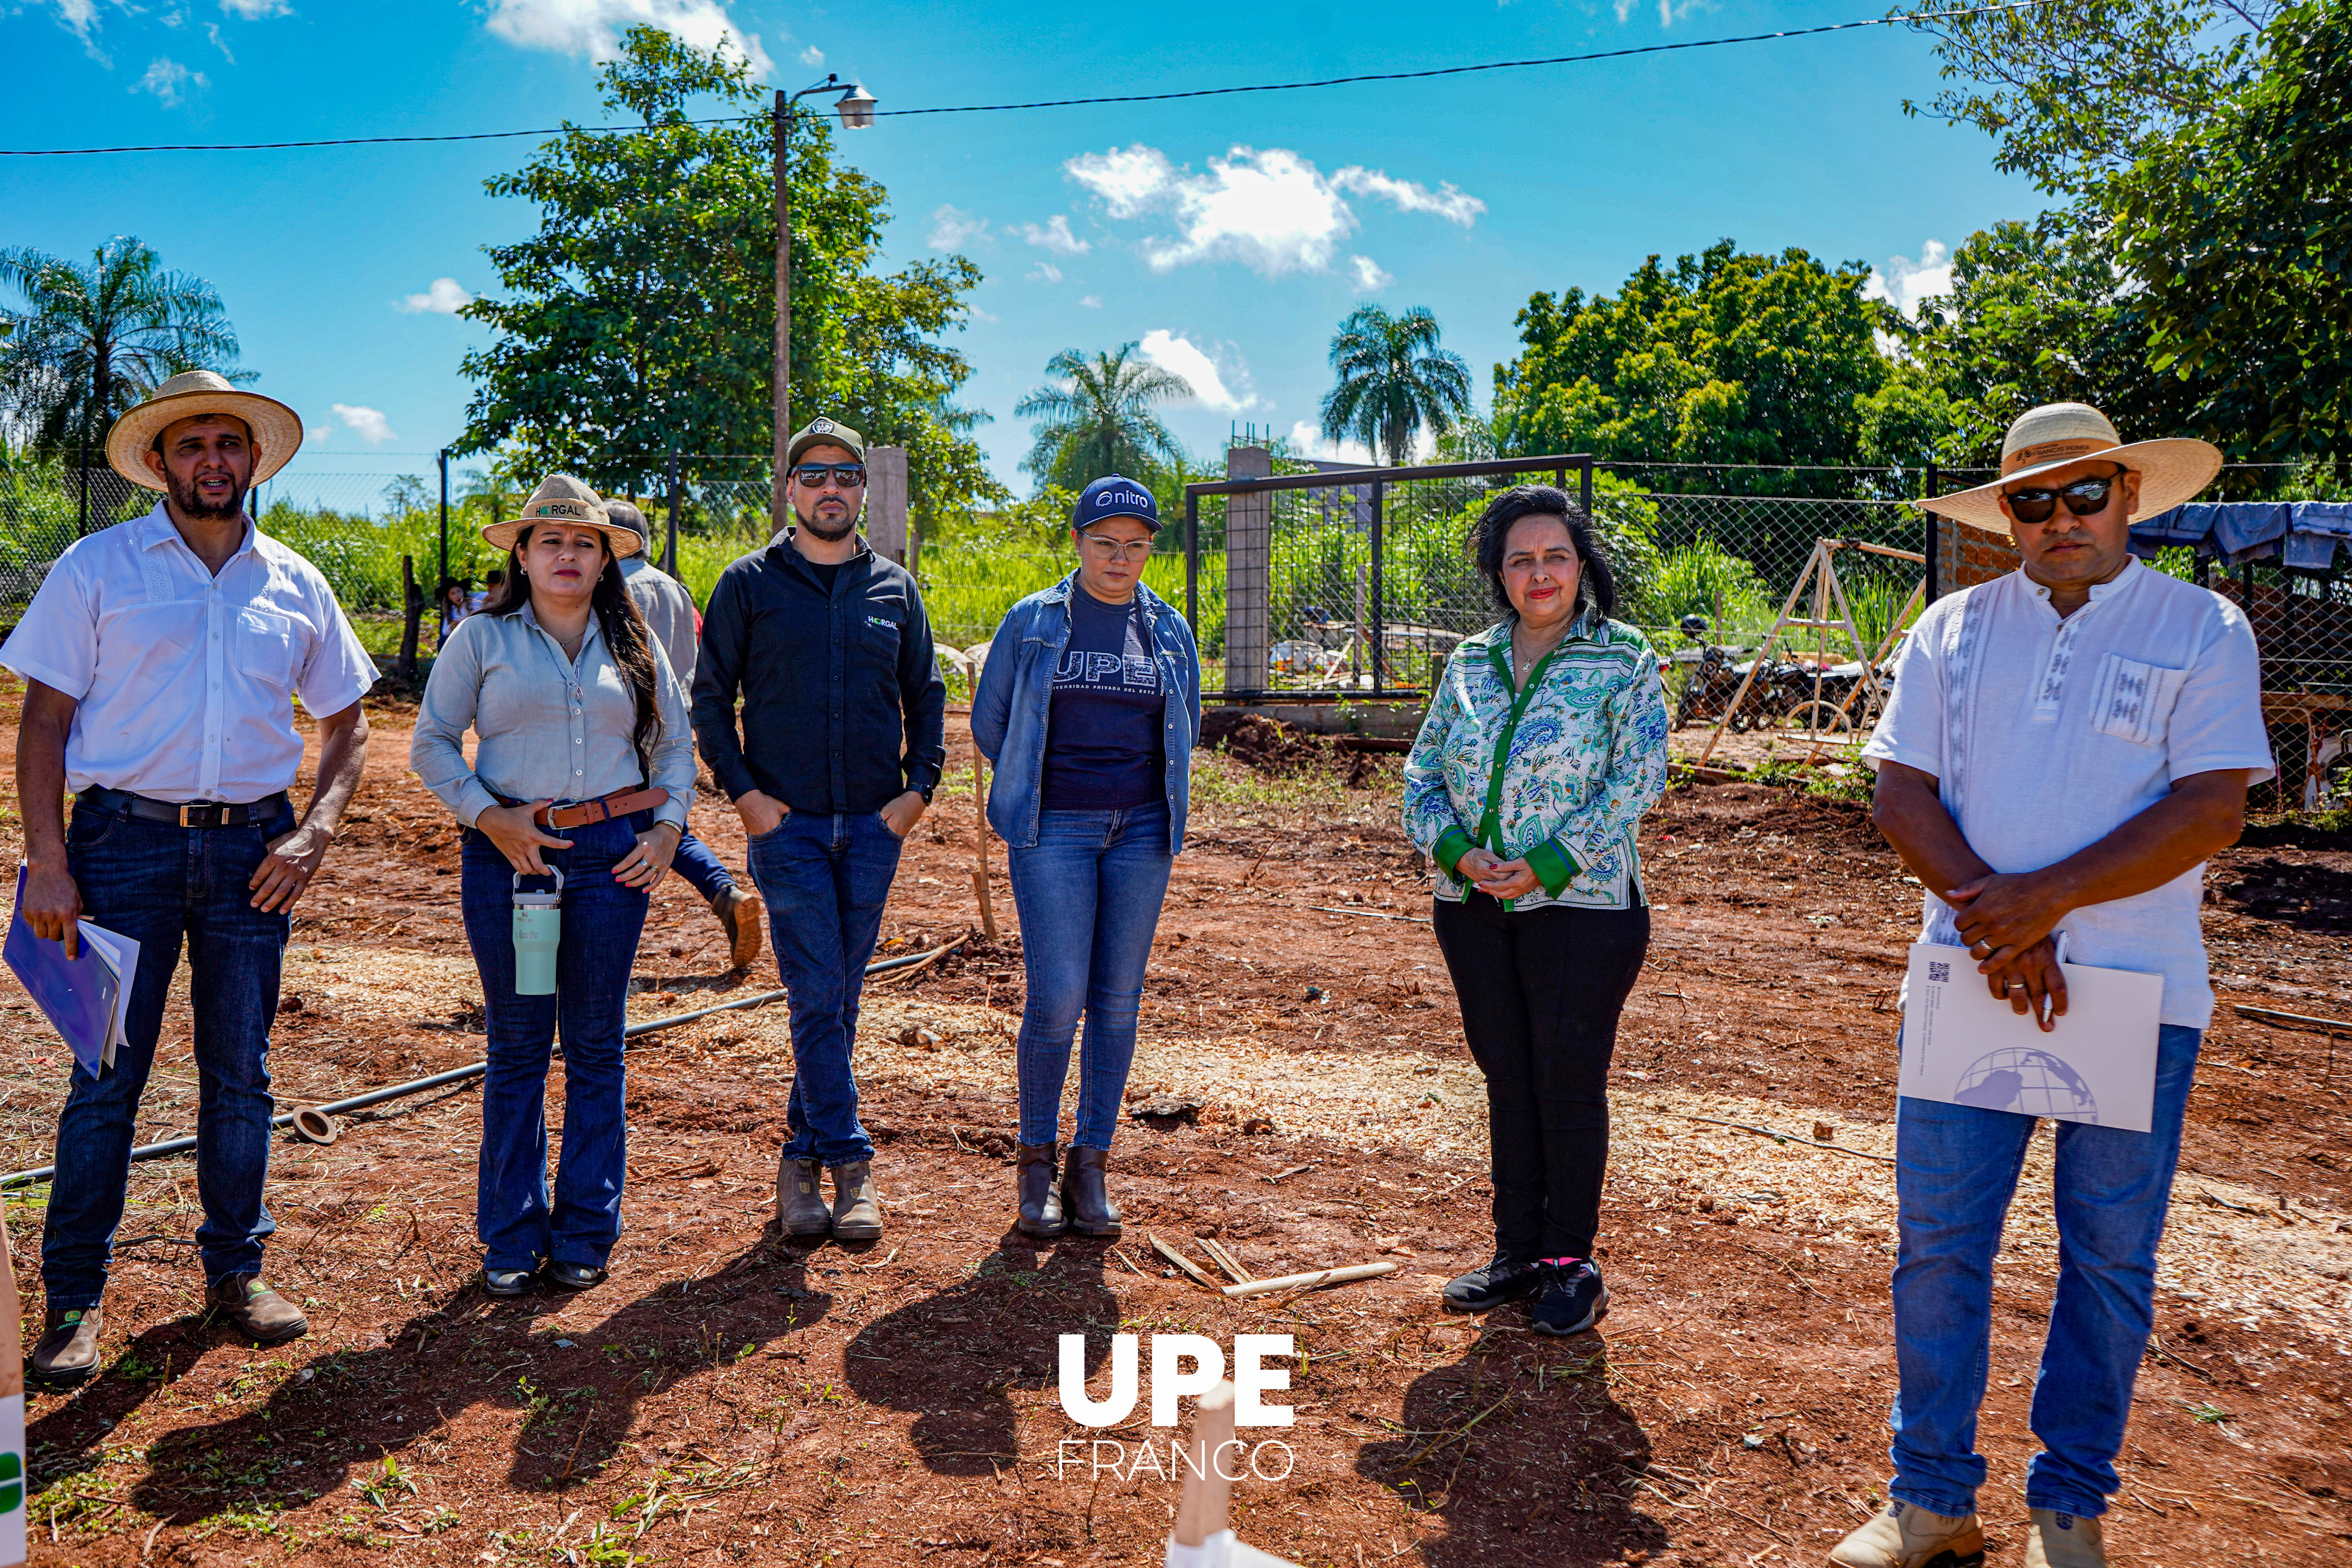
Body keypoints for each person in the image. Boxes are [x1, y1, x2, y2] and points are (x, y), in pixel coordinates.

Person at [1831, 403, 2272, 1568]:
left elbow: (2210, 805)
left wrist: (2043, 903)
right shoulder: (1948, 628)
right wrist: (2001, 919)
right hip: (1971, 977)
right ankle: (1927, 1498)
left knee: (2107, 1261)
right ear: (2006, 517)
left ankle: (2064, 1512)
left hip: (2137, 995)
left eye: (2083, 494)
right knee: (1936, 1245)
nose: (2060, 518)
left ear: (2128, 492)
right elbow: (1898, 794)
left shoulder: (2200, 626)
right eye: (2032, 500)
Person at [3, 370, 378, 1381]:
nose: (214, 459)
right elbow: (43, 722)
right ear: (160, 463)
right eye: (193, 444)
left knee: (241, 1073)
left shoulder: (294, 581)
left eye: (230, 443)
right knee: (104, 1077)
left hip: (255, 855)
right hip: (119, 847)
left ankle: (237, 1274)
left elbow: (349, 723)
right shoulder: (96, 567)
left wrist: (317, 834)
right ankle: (75, 1300)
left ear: (255, 459)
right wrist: (46, 859)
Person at [411, 476, 694, 1297]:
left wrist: (669, 831)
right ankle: (509, 1232)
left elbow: (676, 749)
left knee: (599, 1044)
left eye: (584, 543)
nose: (567, 555)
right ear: (523, 556)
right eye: (551, 542)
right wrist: (486, 816)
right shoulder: (483, 640)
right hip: (513, 858)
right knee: (521, 1042)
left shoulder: (635, 642)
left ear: (607, 557)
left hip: (611, 859)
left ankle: (583, 1231)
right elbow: (430, 742)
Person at [1401, 485, 1669, 1338]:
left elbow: (1639, 780)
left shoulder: (1623, 658)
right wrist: (1455, 852)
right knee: (1507, 1073)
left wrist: (1547, 863)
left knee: (1567, 1076)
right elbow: (1421, 776)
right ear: (1500, 574)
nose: (1540, 572)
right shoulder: (1469, 663)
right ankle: (1516, 1250)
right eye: (1521, 559)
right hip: (1473, 906)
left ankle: (1570, 1261)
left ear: (1581, 566)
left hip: (1584, 910)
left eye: (1556, 555)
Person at [691, 417, 945, 1245]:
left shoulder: (894, 590)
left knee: (840, 993)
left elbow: (928, 695)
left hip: (874, 827)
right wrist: (745, 795)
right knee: (816, 991)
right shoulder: (748, 583)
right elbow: (709, 697)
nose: (830, 487)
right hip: (788, 826)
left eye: (845, 474)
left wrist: (919, 791)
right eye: (814, 474)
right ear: (790, 490)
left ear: (862, 492)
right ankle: (850, 1160)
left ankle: (797, 1162)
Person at [973, 475, 1202, 1239]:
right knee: (1058, 996)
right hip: (1054, 831)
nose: (1120, 558)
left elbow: (1185, 726)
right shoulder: (1034, 620)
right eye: (1105, 543)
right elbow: (992, 720)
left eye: (1135, 546)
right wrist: (1045, 784)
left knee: (1117, 1000)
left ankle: (1091, 1162)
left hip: (1141, 830)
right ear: (1078, 543)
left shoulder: (1167, 627)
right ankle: (1035, 1161)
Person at [608, 499, 764, 969]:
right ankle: (723, 892)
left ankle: (597, 951)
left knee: (621, 821)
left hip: (620, 723)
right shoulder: (675, 589)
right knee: (664, 815)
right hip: (674, 722)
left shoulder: (610, 590)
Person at [438, 579, 473, 648]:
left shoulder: (472, 604)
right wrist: (452, 625)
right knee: (442, 640)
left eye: (459, 592)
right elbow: (444, 632)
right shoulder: (451, 611)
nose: (457, 596)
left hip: (472, 634)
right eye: (453, 594)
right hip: (459, 637)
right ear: (449, 597)